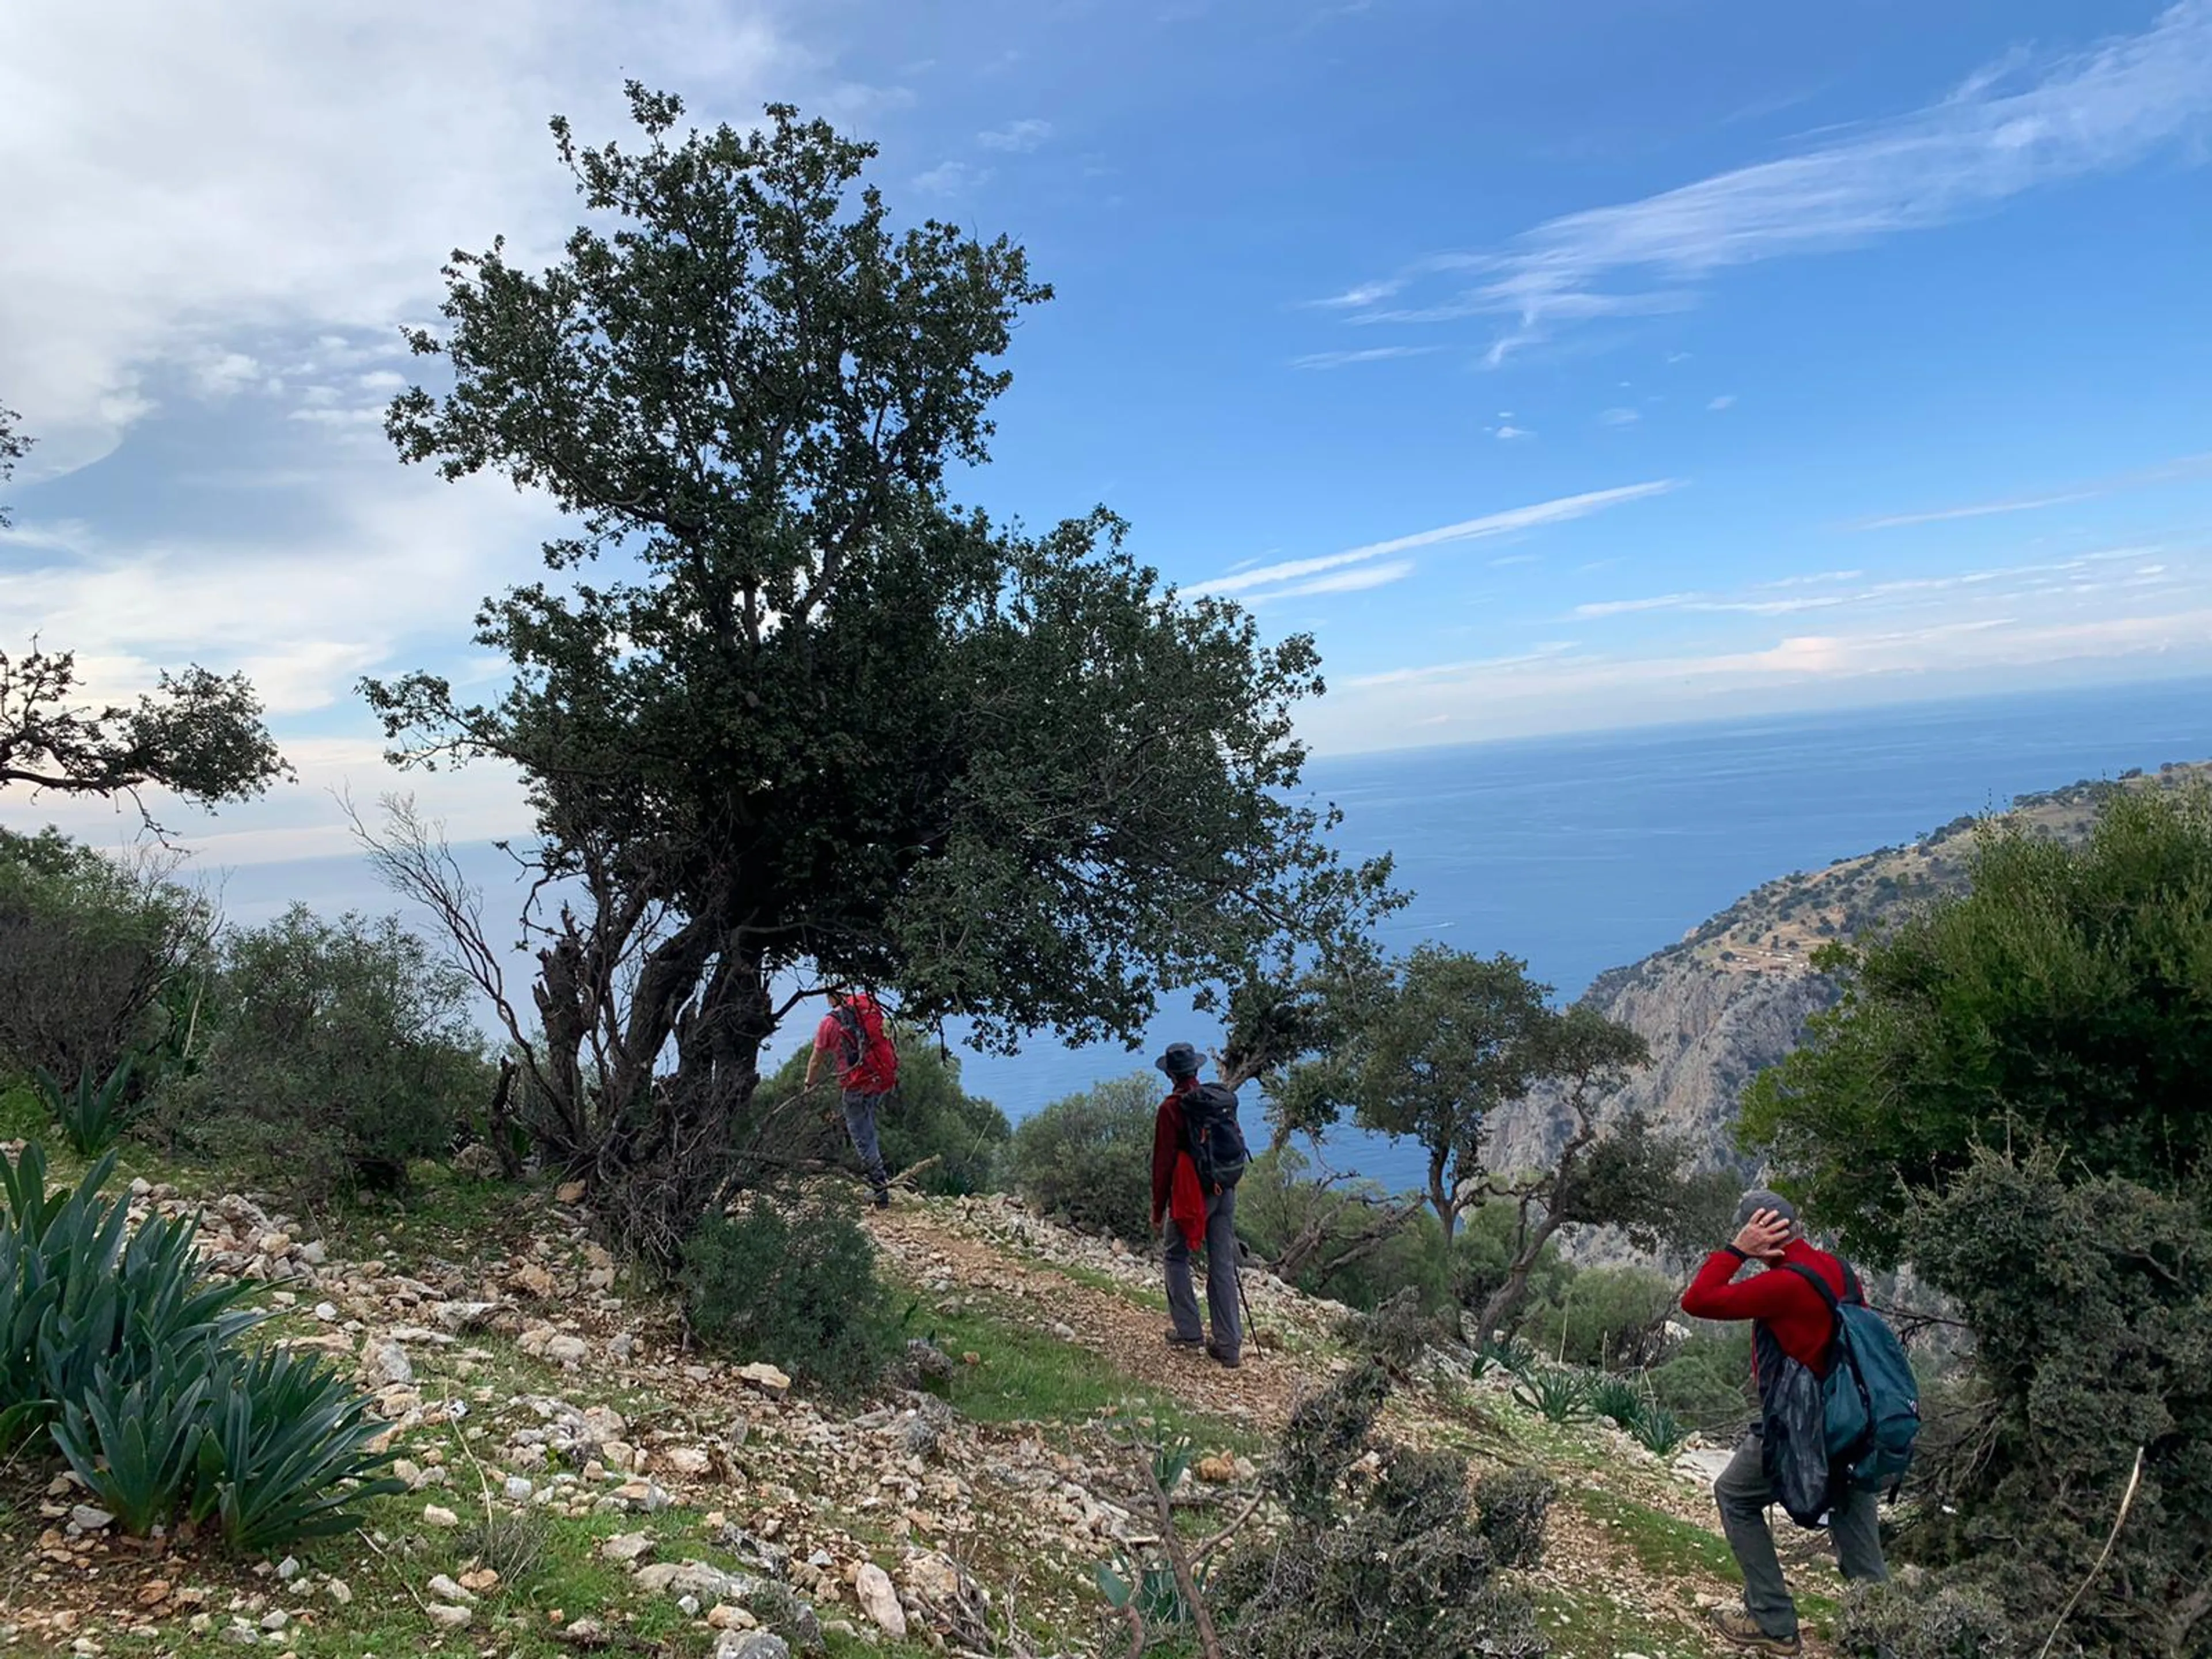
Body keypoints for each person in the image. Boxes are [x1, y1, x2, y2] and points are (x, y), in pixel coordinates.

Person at [1680, 1190, 1888, 1656]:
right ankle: (1883, 1645)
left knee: (1734, 1496)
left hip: (1802, 1431)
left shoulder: (1785, 1285)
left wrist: (1737, 1251)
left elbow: (1698, 1300)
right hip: (1854, 1426)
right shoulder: (1840, 1269)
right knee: (1862, 1551)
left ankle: (1774, 1623)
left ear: (1761, 1232)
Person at [1149, 1041, 1241, 1368]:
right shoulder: (1217, 1101)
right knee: (1222, 1265)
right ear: (1196, 1070)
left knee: (1175, 1255)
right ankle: (1229, 1345)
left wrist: (1158, 1210)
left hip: (1191, 1196)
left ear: (1171, 1074)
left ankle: (1189, 1332)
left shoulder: (1171, 1109)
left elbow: (1163, 1165)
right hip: (1224, 1190)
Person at [805, 987, 895, 1209]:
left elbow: (816, 1059)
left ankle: (880, 1192)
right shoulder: (866, 1008)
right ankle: (878, 1184)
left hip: (856, 1085)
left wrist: (809, 1084)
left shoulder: (829, 1023)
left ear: (832, 995)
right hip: (879, 1079)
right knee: (869, 1129)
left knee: (863, 1138)